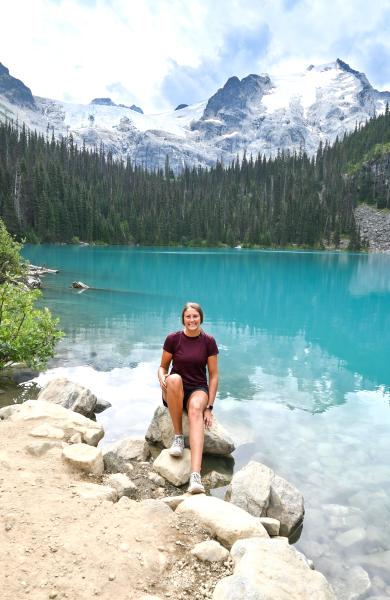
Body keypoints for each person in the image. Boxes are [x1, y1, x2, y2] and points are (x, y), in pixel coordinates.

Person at [158, 302, 219, 494]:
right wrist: (161, 378)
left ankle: (195, 476)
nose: (192, 320)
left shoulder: (208, 341)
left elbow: (214, 375)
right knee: (174, 378)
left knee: (195, 410)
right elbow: (162, 368)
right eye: (188, 316)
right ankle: (178, 437)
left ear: (201, 318)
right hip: (175, 389)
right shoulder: (173, 339)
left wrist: (209, 407)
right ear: (183, 319)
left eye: (195, 316)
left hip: (198, 389)